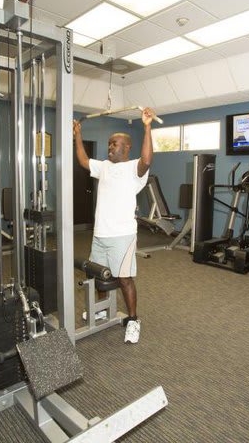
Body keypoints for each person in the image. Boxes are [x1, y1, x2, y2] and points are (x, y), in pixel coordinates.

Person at [73, 108, 156, 344]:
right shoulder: (104, 167)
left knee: (125, 279)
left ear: (127, 148)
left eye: (115, 144)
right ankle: (101, 309)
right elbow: (82, 160)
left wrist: (147, 127)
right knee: (100, 275)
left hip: (122, 236)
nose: (110, 148)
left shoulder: (134, 170)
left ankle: (133, 320)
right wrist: (78, 135)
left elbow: (147, 159)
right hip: (100, 235)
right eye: (109, 144)